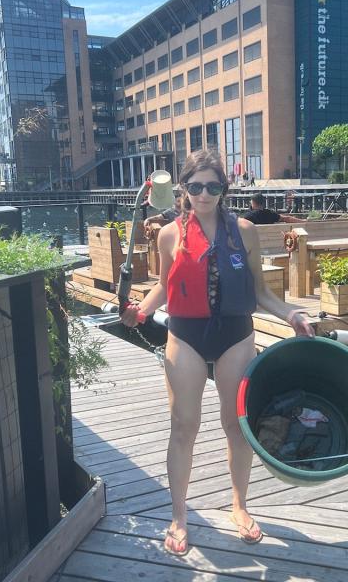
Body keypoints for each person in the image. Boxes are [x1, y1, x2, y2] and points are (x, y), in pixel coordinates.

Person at [120, 151, 314, 557]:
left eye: (213, 186)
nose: (204, 194)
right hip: (186, 336)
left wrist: (290, 313)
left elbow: (260, 292)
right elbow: (163, 286)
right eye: (195, 186)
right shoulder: (169, 234)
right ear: (183, 190)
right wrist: (142, 310)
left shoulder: (244, 231)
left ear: (224, 190)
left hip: (236, 335)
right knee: (183, 426)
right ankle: (178, 516)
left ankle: (240, 507)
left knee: (236, 424)